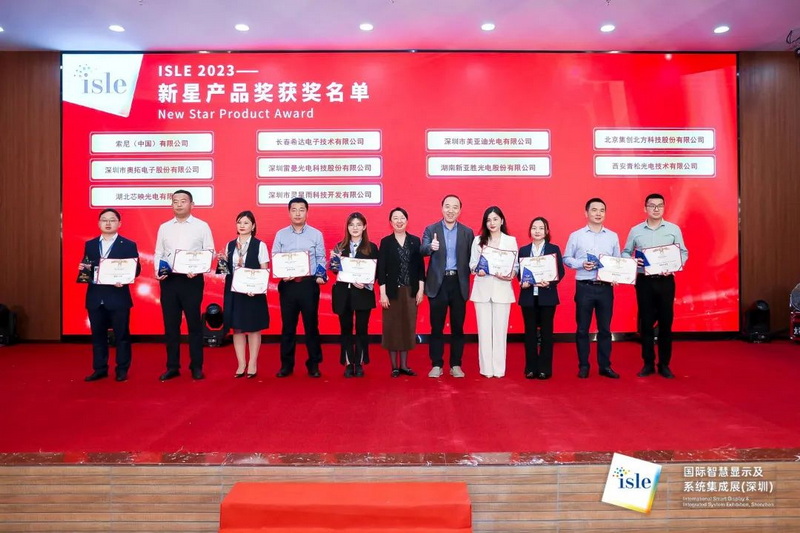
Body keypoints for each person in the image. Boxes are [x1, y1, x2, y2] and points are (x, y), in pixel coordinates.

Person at [622, 193, 688, 379]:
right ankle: (648, 363)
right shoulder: (636, 230)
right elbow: (625, 252)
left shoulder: (673, 229)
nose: (656, 209)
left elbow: (683, 252)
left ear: (664, 208)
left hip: (665, 281)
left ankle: (664, 364)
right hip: (644, 281)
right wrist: (633, 260)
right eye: (652, 205)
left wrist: (675, 265)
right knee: (646, 323)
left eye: (660, 205)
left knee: (666, 322)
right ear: (645, 208)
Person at [154, 190, 215, 381]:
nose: (179, 204)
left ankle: (196, 366)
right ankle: (172, 366)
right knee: (171, 325)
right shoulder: (164, 227)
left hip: (191, 280)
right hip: (169, 280)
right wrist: (158, 271)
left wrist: (197, 268)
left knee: (194, 325)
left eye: (183, 201)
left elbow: (210, 252)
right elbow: (159, 253)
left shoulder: (202, 226)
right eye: (175, 201)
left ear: (192, 204)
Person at [563, 197, 621, 379]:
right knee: (582, 329)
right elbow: (566, 258)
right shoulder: (576, 235)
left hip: (605, 288)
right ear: (586, 213)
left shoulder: (612, 236)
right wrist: (581, 264)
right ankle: (583, 365)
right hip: (584, 287)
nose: (598, 213)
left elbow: (617, 261)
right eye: (594, 210)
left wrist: (616, 275)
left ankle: (605, 366)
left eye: (602, 210)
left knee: (605, 329)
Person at [81, 209, 141, 382]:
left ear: (119, 223)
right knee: (97, 336)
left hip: (118, 297)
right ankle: (100, 369)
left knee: (122, 336)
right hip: (95, 297)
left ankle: (122, 369)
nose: (108, 223)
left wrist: (125, 278)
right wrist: (83, 270)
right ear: (99, 223)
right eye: (104, 220)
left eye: (112, 220)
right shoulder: (90, 244)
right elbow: (88, 268)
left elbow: (135, 269)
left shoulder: (128, 245)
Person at [421, 194, 475, 378]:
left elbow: (473, 258)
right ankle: (437, 364)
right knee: (436, 327)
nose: (450, 210)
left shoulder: (467, 232)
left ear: (460, 210)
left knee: (458, 327)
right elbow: (422, 250)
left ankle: (456, 365)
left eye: (455, 207)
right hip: (438, 284)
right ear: (442, 208)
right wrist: (431, 247)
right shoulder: (431, 229)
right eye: (447, 206)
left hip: (459, 283)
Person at [272, 197, 326, 378]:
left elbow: (321, 258)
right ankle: (286, 365)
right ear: (289, 212)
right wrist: (282, 273)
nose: (297, 213)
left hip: (308, 285)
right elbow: (275, 257)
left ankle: (314, 364)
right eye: (294, 210)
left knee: (311, 326)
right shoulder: (281, 234)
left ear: (307, 212)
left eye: (301, 210)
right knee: (288, 326)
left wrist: (320, 275)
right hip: (288, 285)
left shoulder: (316, 234)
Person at [469, 206, 518, 378]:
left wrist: (511, 274)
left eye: (495, 219)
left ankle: (499, 369)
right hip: (482, 289)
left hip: (502, 290)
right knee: (484, 331)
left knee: (500, 331)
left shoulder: (510, 241)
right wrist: (478, 269)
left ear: (502, 221)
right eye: (488, 220)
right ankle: (486, 369)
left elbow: (515, 266)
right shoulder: (477, 241)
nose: (492, 223)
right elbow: (472, 264)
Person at [377, 207, 425, 377]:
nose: (399, 221)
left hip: (411, 291)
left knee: (407, 327)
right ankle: (394, 367)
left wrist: (421, 290)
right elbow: (381, 269)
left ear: (407, 220)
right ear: (390, 222)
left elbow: (420, 268)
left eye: (402, 218)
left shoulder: (415, 241)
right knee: (392, 328)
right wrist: (382, 293)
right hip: (391, 292)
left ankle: (404, 365)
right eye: (395, 218)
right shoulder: (386, 242)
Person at [329, 212, 379, 378]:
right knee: (346, 329)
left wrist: (366, 282)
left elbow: (376, 271)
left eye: (358, 224)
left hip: (363, 293)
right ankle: (349, 363)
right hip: (343, 293)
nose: (355, 228)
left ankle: (360, 362)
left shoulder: (371, 247)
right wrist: (334, 260)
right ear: (347, 228)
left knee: (362, 329)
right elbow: (334, 270)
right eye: (351, 225)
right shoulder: (339, 246)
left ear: (364, 227)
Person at [222, 210, 270, 379]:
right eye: (239, 222)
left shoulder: (260, 245)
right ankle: (241, 363)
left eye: (246, 223)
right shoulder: (230, 245)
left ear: (253, 226)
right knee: (237, 328)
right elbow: (224, 272)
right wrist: (221, 262)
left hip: (253, 292)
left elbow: (264, 270)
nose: (242, 226)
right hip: (234, 292)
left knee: (254, 328)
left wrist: (256, 288)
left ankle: (252, 363)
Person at [518, 217, 565, 380]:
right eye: (534, 228)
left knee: (546, 333)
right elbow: (519, 272)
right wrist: (522, 282)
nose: (537, 231)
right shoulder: (524, 250)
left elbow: (560, 271)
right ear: (530, 231)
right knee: (529, 333)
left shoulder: (553, 249)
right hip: (528, 297)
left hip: (547, 296)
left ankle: (545, 368)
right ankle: (531, 368)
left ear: (547, 231)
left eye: (541, 228)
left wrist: (550, 282)